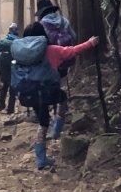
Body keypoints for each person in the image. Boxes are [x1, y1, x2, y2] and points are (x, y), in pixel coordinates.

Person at [16, 21, 99, 170]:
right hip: (50, 91)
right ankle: (56, 129)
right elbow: (73, 51)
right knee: (62, 99)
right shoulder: (52, 50)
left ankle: (41, 158)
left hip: (31, 93)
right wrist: (90, 43)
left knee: (42, 122)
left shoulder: (23, 55)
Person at [0, 23, 19, 113]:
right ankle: (11, 109)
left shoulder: (2, 41)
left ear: (9, 30)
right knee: (13, 87)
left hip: (2, 67)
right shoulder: (20, 41)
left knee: (4, 85)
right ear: (16, 31)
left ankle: (1, 105)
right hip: (14, 67)